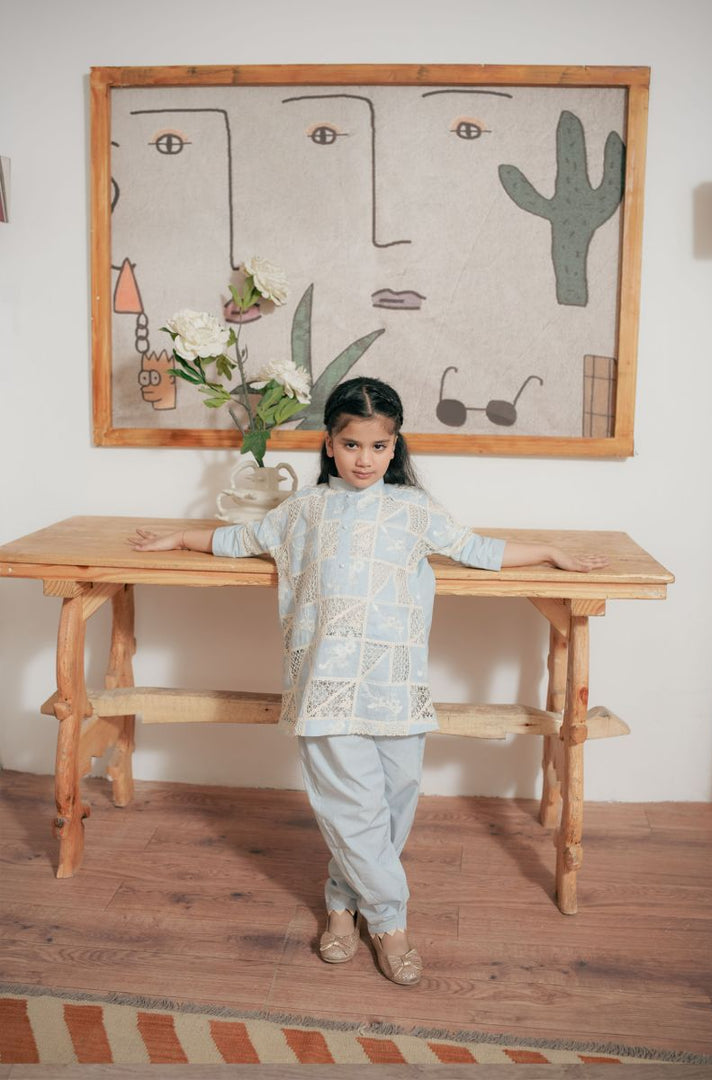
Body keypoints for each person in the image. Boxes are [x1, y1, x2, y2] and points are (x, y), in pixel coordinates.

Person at [129, 377, 608, 987]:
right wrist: (179, 538)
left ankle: (340, 900)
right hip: (325, 689)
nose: (364, 459)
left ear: (394, 445)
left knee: (391, 806)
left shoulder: (414, 509)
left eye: (378, 446)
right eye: (352, 444)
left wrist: (549, 553)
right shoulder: (302, 511)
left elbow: (476, 548)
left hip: (396, 688)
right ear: (329, 443)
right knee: (353, 811)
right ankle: (389, 921)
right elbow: (236, 540)